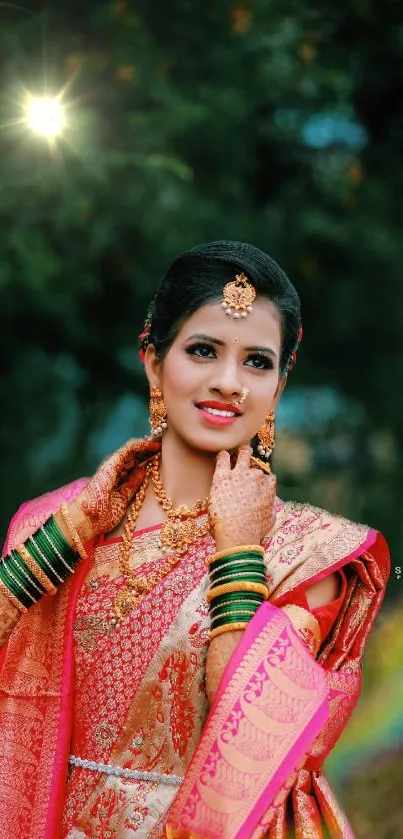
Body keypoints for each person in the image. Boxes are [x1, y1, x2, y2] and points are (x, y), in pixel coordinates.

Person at [0, 240, 390, 839]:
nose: (229, 382)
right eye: (203, 350)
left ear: (280, 384)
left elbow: (246, 754)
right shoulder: (58, 529)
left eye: (258, 362)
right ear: (154, 361)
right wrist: (72, 531)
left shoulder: (307, 560)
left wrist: (238, 549)